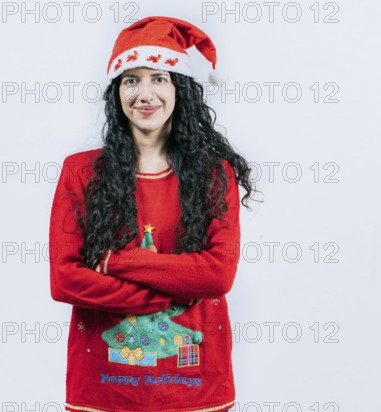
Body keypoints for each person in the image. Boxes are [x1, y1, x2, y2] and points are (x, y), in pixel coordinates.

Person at [49, 16, 255, 412]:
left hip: (194, 389)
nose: (145, 94)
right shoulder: (79, 171)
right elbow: (65, 280)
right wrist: (175, 290)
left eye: (159, 78)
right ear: (116, 92)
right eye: (131, 80)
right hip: (103, 390)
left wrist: (115, 261)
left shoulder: (215, 174)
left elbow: (216, 275)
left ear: (180, 88)